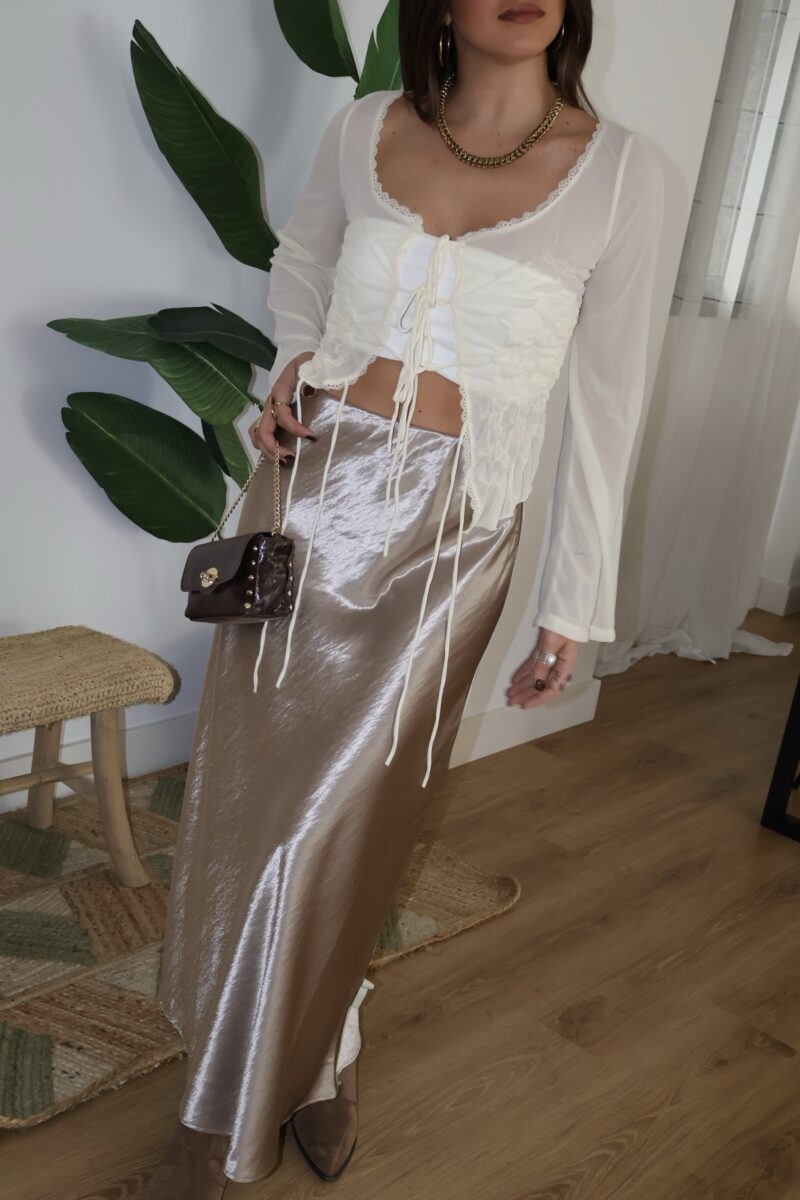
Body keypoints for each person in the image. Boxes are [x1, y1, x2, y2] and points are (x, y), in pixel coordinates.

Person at [149, 0, 665, 1195]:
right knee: (257, 811)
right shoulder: (364, 127)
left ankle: (236, 1109)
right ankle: (303, 1062)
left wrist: (572, 603)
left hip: (450, 537)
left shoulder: (623, 172)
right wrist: (289, 363)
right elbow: (301, 263)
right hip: (304, 503)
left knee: (344, 821)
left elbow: (608, 401)